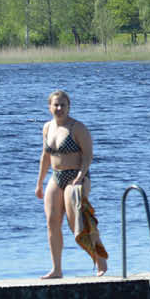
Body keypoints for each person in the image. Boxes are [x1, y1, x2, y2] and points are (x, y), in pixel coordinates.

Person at [36, 89, 108, 278]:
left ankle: (100, 259)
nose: (59, 108)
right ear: (49, 107)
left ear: (69, 107)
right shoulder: (47, 127)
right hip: (56, 177)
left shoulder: (78, 128)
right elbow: (45, 157)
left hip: (76, 177)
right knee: (52, 222)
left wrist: (80, 175)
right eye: (56, 105)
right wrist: (39, 183)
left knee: (76, 221)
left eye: (63, 105)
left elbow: (88, 155)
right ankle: (57, 269)